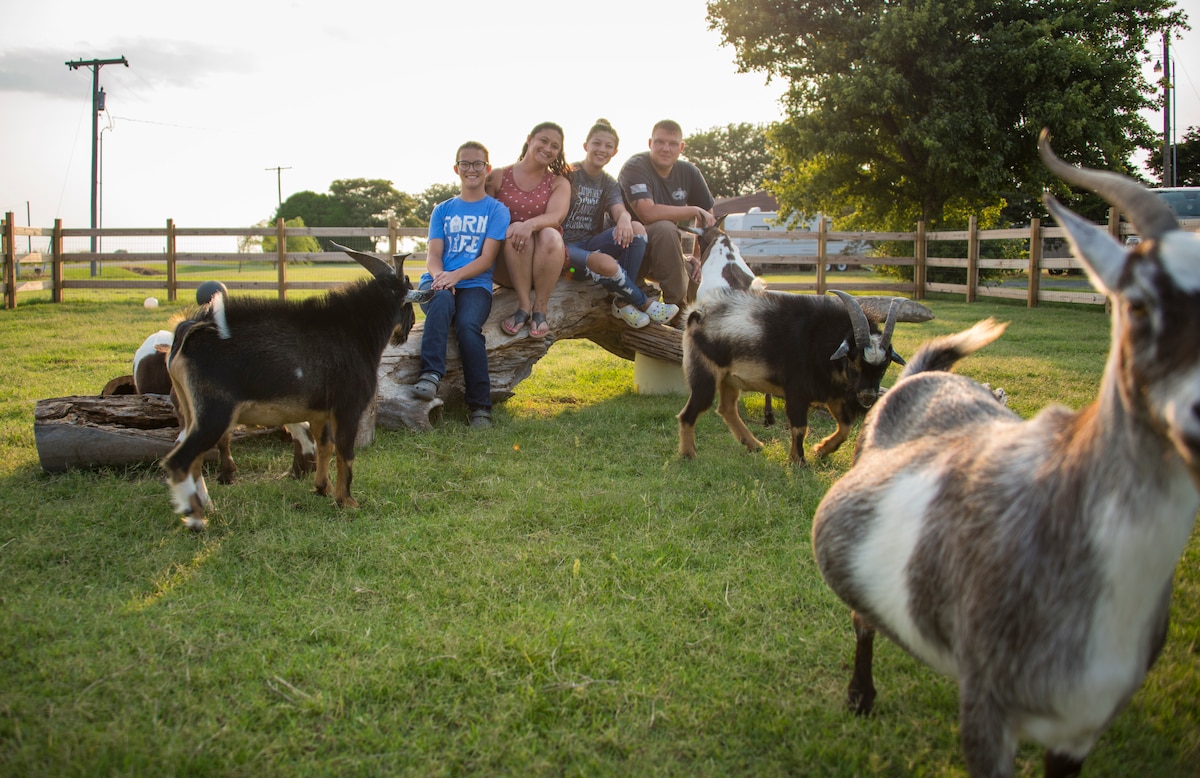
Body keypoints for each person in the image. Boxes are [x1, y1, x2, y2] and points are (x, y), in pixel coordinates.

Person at [412, 141, 511, 429]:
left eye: (478, 164)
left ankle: (480, 406)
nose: (471, 169)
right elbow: (433, 255)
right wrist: (442, 277)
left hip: (475, 284)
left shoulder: (496, 210)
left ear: (487, 169)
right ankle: (430, 374)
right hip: (439, 279)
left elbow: (487, 258)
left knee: (468, 327)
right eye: (465, 164)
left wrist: (456, 277)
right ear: (456, 169)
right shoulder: (442, 210)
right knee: (441, 300)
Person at [562, 119, 678, 328]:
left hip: (590, 246)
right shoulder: (568, 174)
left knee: (637, 229)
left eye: (608, 146)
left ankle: (622, 301)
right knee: (606, 264)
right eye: (597, 143)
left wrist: (624, 219)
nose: (601, 150)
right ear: (586, 145)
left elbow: (618, 208)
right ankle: (643, 302)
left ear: (614, 152)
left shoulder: (608, 182)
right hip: (563, 250)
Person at [617, 119, 717, 308]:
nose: (665, 148)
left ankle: (691, 318)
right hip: (628, 251)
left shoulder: (689, 172)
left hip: (664, 253)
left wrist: (698, 256)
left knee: (693, 272)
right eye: (660, 142)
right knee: (665, 227)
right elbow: (647, 213)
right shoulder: (635, 166)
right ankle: (675, 306)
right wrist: (693, 209)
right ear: (649, 143)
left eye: (672, 144)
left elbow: (708, 218)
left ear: (682, 147)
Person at [486, 121, 572, 339]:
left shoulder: (558, 182)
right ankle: (523, 307)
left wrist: (529, 225)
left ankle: (540, 308)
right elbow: (483, 217)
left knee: (551, 233)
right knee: (514, 230)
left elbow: (556, 216)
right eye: (544, 140)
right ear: (529, 139)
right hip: (507, 265)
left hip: (545, 265)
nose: (548, 148)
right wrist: (516, 229)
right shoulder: (498, 176)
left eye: (555, 146)